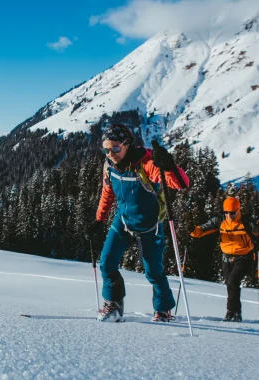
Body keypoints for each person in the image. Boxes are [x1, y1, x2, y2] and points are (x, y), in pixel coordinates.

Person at [86, 123, 189, 322]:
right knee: (106, 263)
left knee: (154, 272)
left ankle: (163, 309)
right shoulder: (109, 166)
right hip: (123, 222)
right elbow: (107, 194)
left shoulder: (146, 164)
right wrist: (99, 220)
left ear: (127, 145)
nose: (110, 153)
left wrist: (168, 165)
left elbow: (181, 184)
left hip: (149, 226)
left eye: (115, 148)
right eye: (106, 149)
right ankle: (113, 304)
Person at [190, 196, 258, 322]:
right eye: (226, 212)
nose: (229, 215)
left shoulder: (247, 222)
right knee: (231, 284)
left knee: (233, 281)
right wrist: (192, 230)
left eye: (232, 213)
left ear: (238, 210)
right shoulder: (219, 221)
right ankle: (236, 313)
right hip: (226, 257)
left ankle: (231, 312)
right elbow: (201, 230)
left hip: (245, 257)